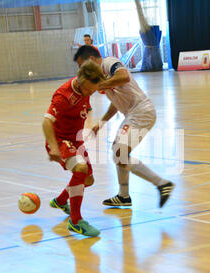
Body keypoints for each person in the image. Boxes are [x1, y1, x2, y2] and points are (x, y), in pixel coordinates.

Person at [73, 45, 174, 208]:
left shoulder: (108, 63)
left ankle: (161, 184)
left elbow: (124, 76)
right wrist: (101, 123)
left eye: (82, 65)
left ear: (91, 60)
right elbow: (115, 103)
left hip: (141, 111)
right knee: (118, 152)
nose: (81, 70)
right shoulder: (101, 77)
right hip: (133, 114)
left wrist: (100, 86)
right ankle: (123, 196)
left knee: (120, 153)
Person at [42, 60, 105, 237]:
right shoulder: (63, 96)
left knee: (88, 180)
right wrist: (54, 148)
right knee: (80, 169)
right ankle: (76, 221)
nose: (92, 92)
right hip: (60, 140)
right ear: (81, 81)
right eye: (90, 90)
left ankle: (62, 201)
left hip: (75, 141)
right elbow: (46, 121)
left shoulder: (86, 86)